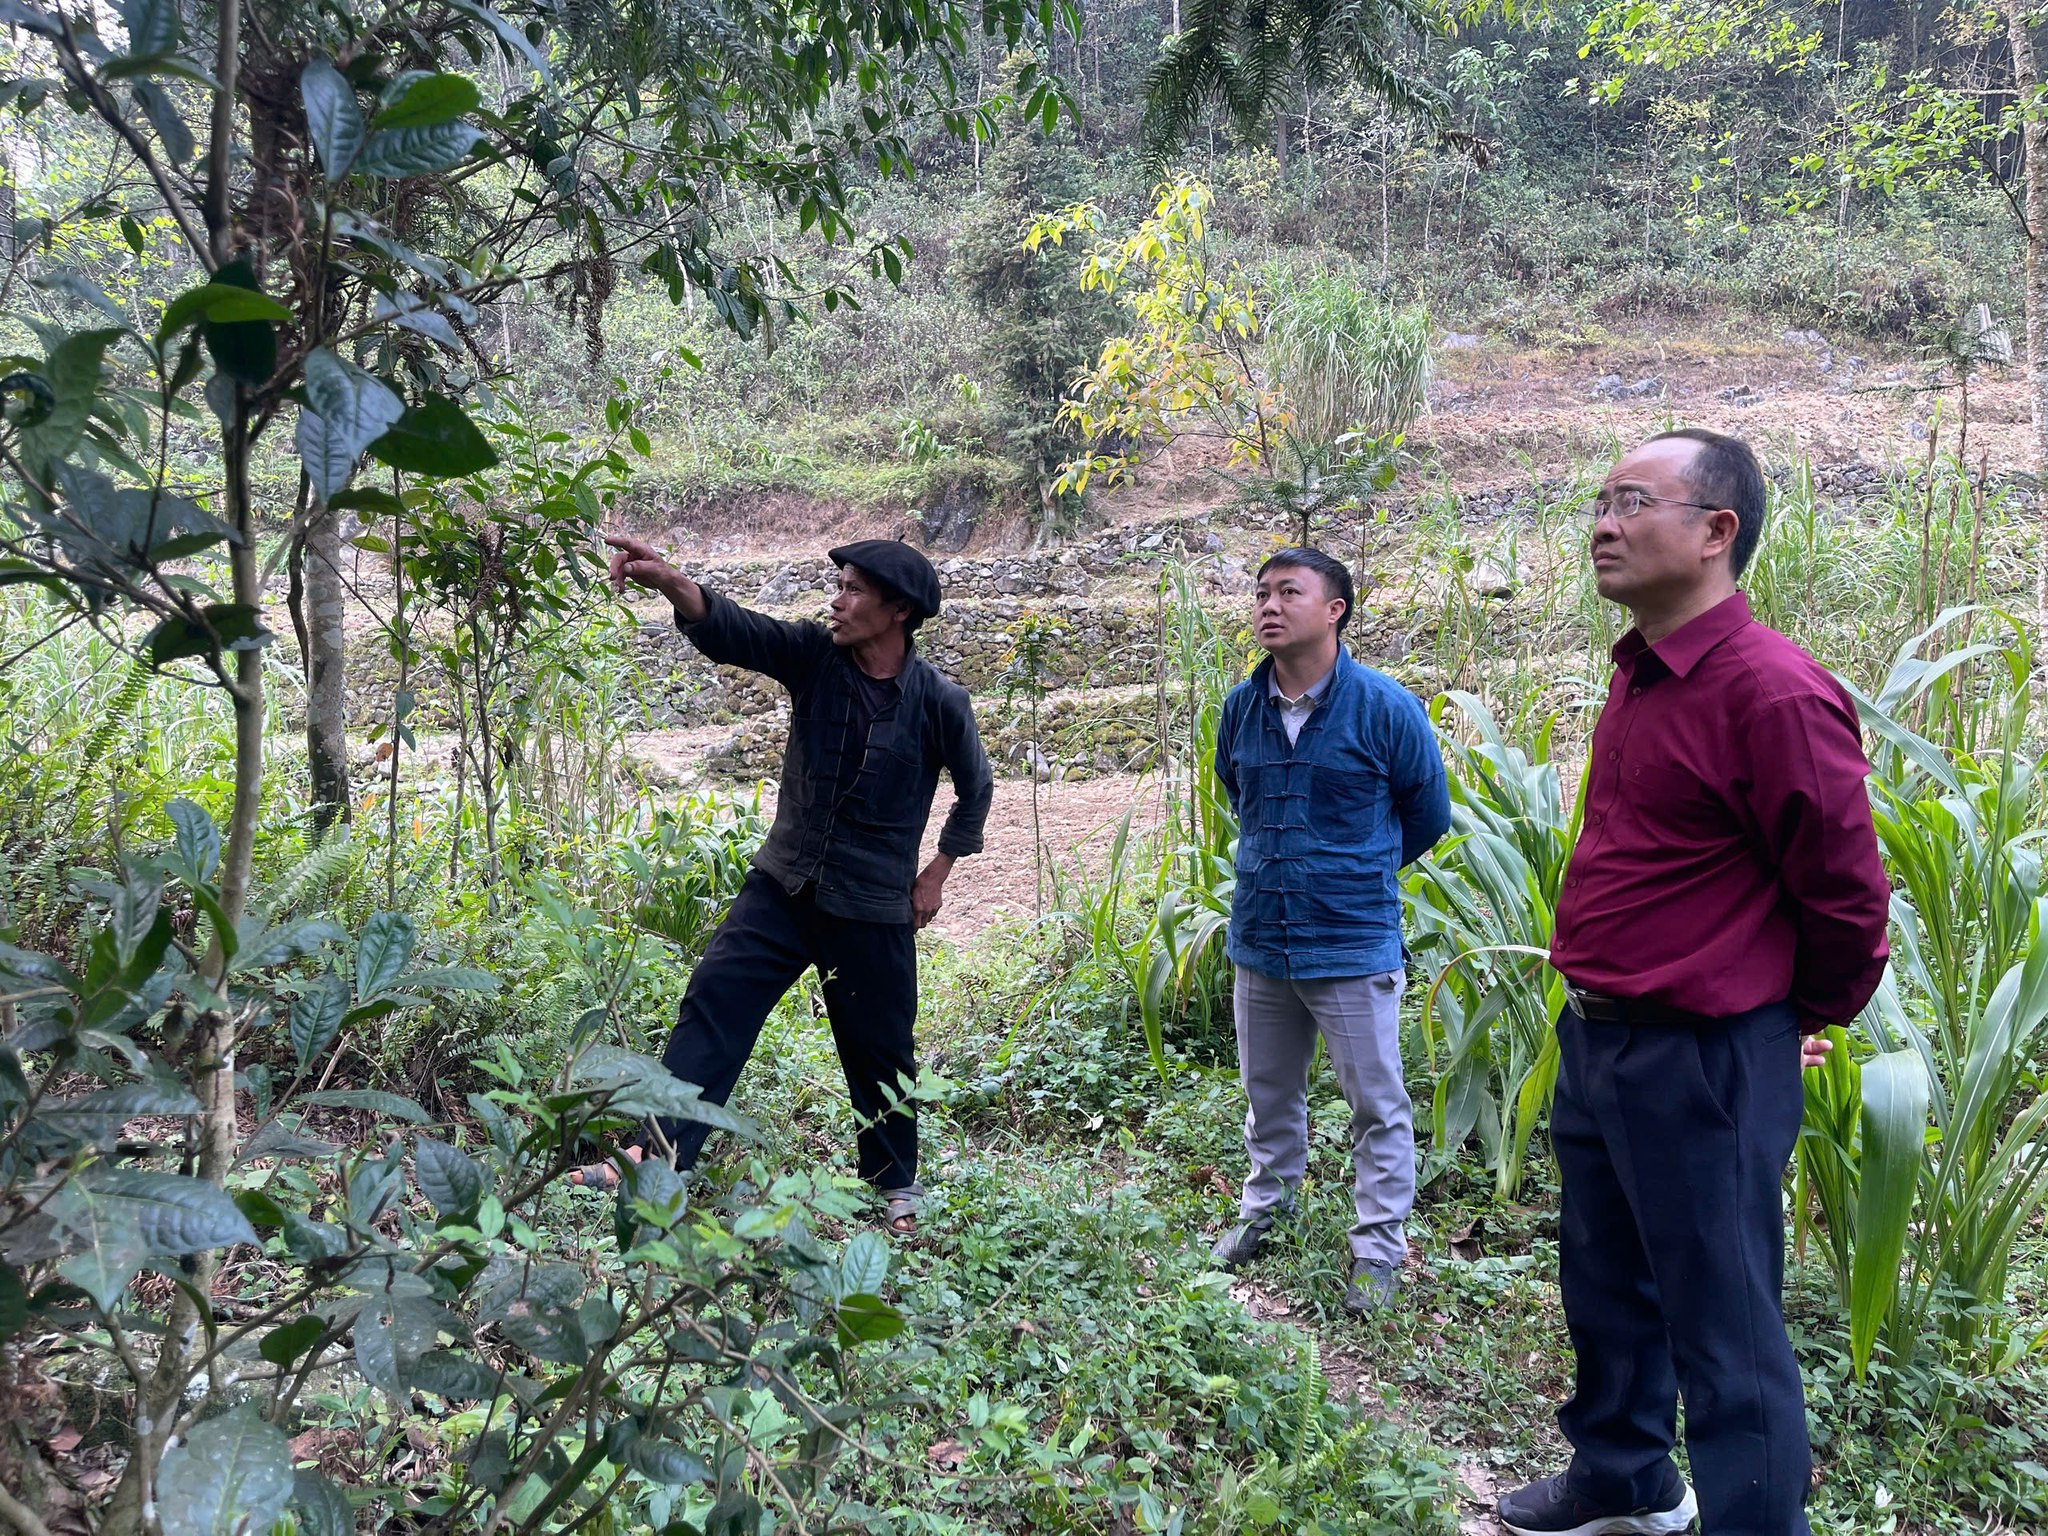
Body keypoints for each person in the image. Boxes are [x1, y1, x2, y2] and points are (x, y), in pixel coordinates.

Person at [1496, 430, 1890, 1536]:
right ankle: (1622, 1478)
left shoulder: (1771, 693)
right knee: (1605, 1280)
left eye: (1632, 501)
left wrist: (1782, 1020)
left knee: (1726, 1328)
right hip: (1601, 1037)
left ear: (1716, 531)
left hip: (1703, 1059)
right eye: (1599, 502)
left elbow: (1847, 898)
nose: (1602, 525)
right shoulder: (1641, 671)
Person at [590, 533, 993, 1235]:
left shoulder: (939, 702)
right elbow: (738, 631)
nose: (836, 601)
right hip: (784, 886)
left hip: (872, 904)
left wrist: (937, 872)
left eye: (853, 590)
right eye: (839, 585)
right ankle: (654, 1156)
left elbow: (976, 789)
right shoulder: (814, 657)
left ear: (898, 610)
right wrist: (672, 582)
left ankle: (894, 1185)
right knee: (714, 1002)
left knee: (880, 1048)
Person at [1208, 547, 1451, 1313]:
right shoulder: (1241, 709)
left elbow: (1428, 813)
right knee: (1268, 1094)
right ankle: (1266, 1209)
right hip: (1261, 938)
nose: (1269, 605)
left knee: (1376, 1105)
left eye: (1289, 592)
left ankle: (1378, 1249)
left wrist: (1353, 871)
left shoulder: (1385, 708)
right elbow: (1237, 792)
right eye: (1261, 593)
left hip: (1350, 942)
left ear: (1335, 610)